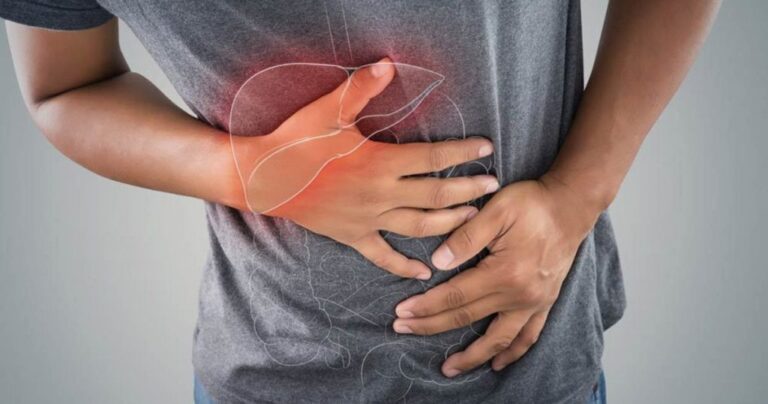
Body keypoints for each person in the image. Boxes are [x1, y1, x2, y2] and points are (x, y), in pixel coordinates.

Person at [1, 1, 718, 402]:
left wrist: (577, 193)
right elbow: (65, 87)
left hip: (532, 373)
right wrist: (241, 171)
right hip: (269, 374)